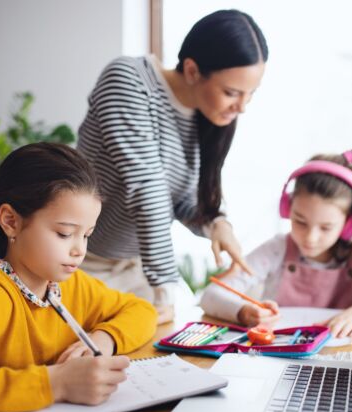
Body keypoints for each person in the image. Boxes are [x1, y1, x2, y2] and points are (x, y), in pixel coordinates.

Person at [0, 143, 157, 412]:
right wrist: (58, 383)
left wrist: (104, 339)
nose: (80, 249)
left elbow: (141, 310)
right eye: (64, 233)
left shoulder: (70, 285)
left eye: (86, 234)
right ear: (11, 221)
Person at [77, 9, 268, 324]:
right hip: (79, 265)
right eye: (232, 93)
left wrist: (217, 223)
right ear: (192, 70)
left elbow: (179, 201)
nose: (242, 107)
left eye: (251, 94)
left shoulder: (204, 116)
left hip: (133, 269)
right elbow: (148, 189)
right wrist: (165, 288)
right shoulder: (128, 79)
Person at [200, 149, 352, 338]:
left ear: (350, 224)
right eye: (300, 221)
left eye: (326, 227)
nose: (310, 237)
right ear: (287, 209)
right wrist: (243, 311)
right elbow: (210, 296)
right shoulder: (277, 249)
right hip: (276, 352)